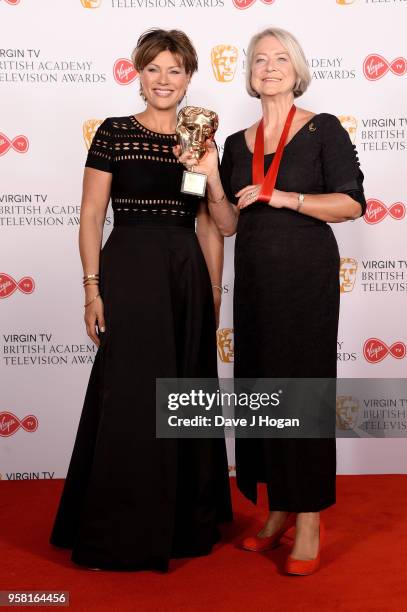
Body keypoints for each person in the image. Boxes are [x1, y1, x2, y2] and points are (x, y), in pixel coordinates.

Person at [176, 27, 365, 575]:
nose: (270, 66)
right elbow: (228, 224)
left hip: (306, 278)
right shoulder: (235, 143)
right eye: (260, 59)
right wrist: (209, 175)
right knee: (263, 389)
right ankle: (279, 507)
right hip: (255, 280)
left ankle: (309, 516)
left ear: (298, 69)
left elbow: (353, 203)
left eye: (281, 58)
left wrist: (283, 196)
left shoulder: (323, 130)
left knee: (303, 391)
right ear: (250, 74)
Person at [50, 28, 232, 572]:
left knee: (181, 397)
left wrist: (213, 296)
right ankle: (117, 528)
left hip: (186, 276)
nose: (163, 80)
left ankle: (183, 524)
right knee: (129, 396)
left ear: (190, 78)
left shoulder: (200, 142)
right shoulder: (113, 133)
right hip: (128, 270)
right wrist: (91, 288)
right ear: (138, 73)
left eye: (174, 70)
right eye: (153, 69)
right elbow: (89, 216)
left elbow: (217, 226)